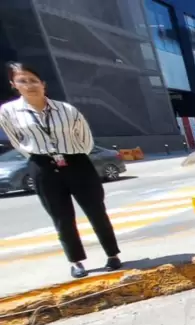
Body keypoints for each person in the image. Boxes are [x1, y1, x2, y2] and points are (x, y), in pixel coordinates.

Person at [0, 62, 121, 278]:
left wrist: (71, 155)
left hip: (77, 163)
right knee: (61, 217)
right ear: (14, 85)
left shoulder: (66, 110)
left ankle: (112, 254)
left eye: (33, 80)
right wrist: (41, 156)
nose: (29, 85)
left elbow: (85, 138)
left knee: (96, 211)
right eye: (23, 81)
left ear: (43, 84)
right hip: (43, 166)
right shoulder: (8, 112)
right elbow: (17, 141)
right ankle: (76, 261)